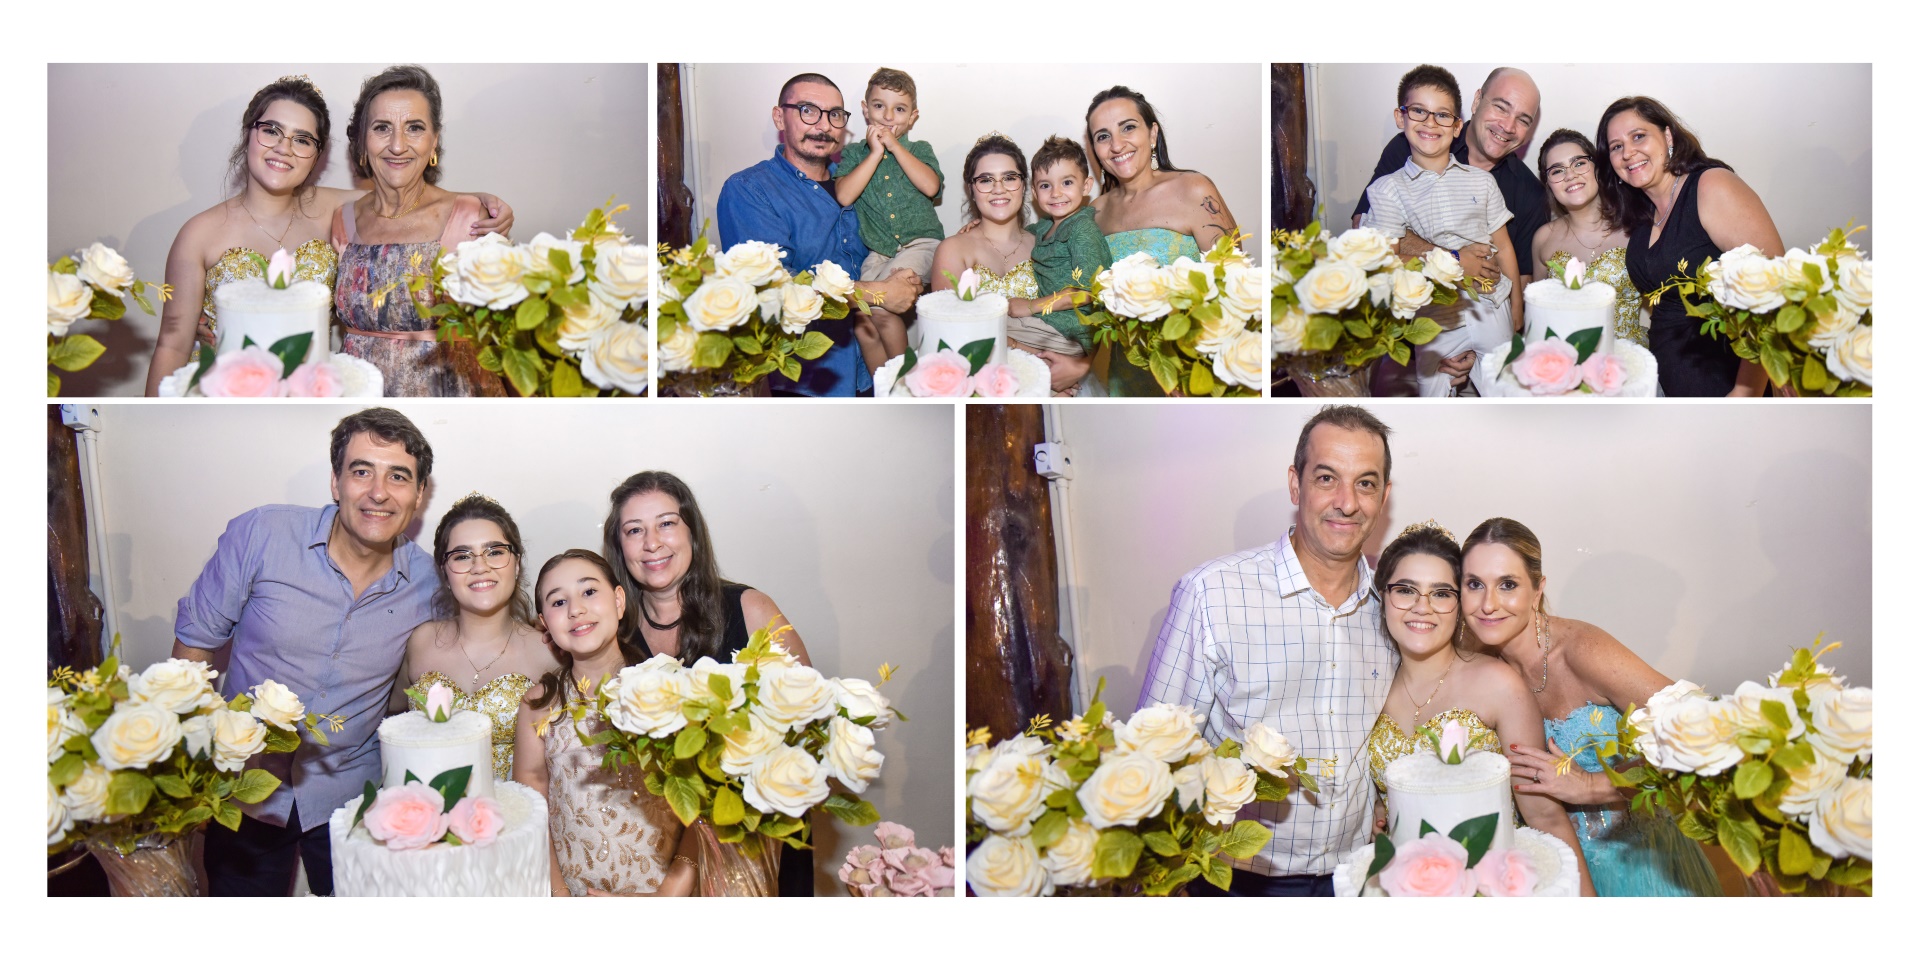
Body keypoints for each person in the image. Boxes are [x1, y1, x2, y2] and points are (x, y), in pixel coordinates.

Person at [171, 407, 439, 896]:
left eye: (398, 477)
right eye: (362, 471)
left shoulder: (430, 583)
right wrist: (190, 772)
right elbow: (194, 647)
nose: (379, 492)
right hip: (243, 789)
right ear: (336, 482)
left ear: (419, 495)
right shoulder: (261, 535)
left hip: (354, 797)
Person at [1138, 405, 1396, 896]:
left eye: (1365, 483)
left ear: (1383, 497)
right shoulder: (1212, 593)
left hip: (1360, 876)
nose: (1347, 503)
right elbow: (1155, 750)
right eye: (1327, 478)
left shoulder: (1396, 603)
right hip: (1241, 881)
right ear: (1296, 485)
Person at [142, 75, 513, 396]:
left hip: (317, 392)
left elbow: (405, 197)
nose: (284, 148)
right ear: (248, 133)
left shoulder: (332, 210)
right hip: (228, 392)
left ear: (316, 155)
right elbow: (171, 345)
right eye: (271, 130)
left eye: (303, 139)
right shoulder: (198, 233)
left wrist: (480, 202)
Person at [1461, 517, 1723, 896]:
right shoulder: (1477, 664)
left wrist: (1594, 786)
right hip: (1552, 871)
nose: (1488, 604)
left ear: (1537, 590)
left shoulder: (1582, 651)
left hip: (1643, 867)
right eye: (1474, 584)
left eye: (1508, 585)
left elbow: (1707, 731)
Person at [599, 469, 815, 895]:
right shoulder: (614, 634)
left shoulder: (750, 609)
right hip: (659, 854)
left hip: (754, 843)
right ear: (619, 547)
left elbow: (810, 729)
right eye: (634, 530)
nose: (652, 543)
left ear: (692, 533)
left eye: (666, 523)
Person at [1363, 521, 1595, 896]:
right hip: (1406, 886)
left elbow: (1544, 815)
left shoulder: (1498, 684)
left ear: (1459, 605)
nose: (1422, 607)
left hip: (1495, 888)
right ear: (1383, 597)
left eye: (1441, 593)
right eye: (1405, 590)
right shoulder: (1368, 688)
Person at [715, 72, 922, 397]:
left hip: (872, 373)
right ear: (779, 117)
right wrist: (881, 293)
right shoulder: (750, 190)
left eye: (835, 115)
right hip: (806, 384)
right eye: (808, 111)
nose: (823, 126)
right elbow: (773, 291)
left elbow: (905, 228)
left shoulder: (860, 179)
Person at [512, 549, 696, 897]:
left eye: (589, 591)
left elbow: (702, 807)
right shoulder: (538, 705)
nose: (576, 609)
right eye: (558, 602)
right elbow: (530, 806)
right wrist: (560, 894)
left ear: (619, 601)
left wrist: (670, 893)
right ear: (545, 623)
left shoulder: (671, 687)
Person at [1352, 66, 1548, 377]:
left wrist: (1477, 343)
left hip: (1490, 319)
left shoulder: (1529, 193)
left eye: (1523, 120)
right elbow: (1365, 234)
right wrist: (1454, 260)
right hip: (1415, 329)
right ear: (1477, 101)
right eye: (1501, 107)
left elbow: (1517, 278)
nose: (1508, 126)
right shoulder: (1413, 143)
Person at [331, 65, 509, 397]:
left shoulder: (471, 218)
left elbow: (507, 332)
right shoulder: (343, 220)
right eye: (382, 128)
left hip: (450, 401)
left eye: (414, 128)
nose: (398, 145)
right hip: (359, 403)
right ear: (362, 142)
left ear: (434, 141)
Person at [1601, 96, 1783, 397]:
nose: (1628, 152)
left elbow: (1775, 290)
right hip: (1670, 386)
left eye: (1639, 136)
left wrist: (1745, 390)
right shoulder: (1643, 217)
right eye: (1616, 146)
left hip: (1725, 383)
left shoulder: (1711, 186)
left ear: (1668, 136)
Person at [1084, 85, 1244, 396]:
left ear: (1153, 134)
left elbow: (1236, 287)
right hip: (1127, 376)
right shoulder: (1095, 213)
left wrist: (1195, 371)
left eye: (1128, 127)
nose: (1117, 145)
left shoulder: (1194, 189)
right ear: (1094, 149)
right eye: (1103, 136)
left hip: (1197, 370)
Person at [397, 493, 558, 781]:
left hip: (517, 806)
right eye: (462, 556)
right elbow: (386, 719)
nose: (480, 566)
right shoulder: (420, 642)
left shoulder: (549, 652)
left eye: (495, 552)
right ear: (445, 572)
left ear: (516, 564)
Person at [832, 67, 944, 373]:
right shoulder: (854, 154)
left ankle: (906, 381)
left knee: (881, 305)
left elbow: (931, 187)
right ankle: (885, 390)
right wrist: (874, 153)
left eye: (899, 109)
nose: (888, 116)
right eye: (879, 106)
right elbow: (844, 196)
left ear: (912, 117)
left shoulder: (919, 149)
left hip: (921, 244)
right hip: (879, 252)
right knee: (863, 318)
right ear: (866, 110)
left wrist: (894, 146)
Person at [1529, 129, 1648, 349]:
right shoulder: (1543, 238)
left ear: (1597, 168)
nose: (1570, 175)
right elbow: (1538, 316)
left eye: (1579, 163)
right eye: (1557, 171)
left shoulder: (1637, 228)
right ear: (1548, 184)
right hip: (1566, 359)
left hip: (1628, 358)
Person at [1017, 136, 1112, 396]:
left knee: (992, 329)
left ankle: (1051, 380)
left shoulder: (1082, 230)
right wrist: (978, 228)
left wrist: (1030, 306)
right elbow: (1015, 235)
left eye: (1067, 182)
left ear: (1086, 185)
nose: (1056, 193)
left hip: (1071, 330)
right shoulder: (1044, 227)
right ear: (1034, 192)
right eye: (1045, 185)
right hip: (1051, 325)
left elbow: (1088, 292)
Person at [930, 136, 1037, 302]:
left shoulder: (1042, 246)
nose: (998, 189)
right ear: (971, 190)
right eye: (986, 180)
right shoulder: (952, 250)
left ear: (1023, 186)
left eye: (1009, 178)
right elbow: (946, 316)